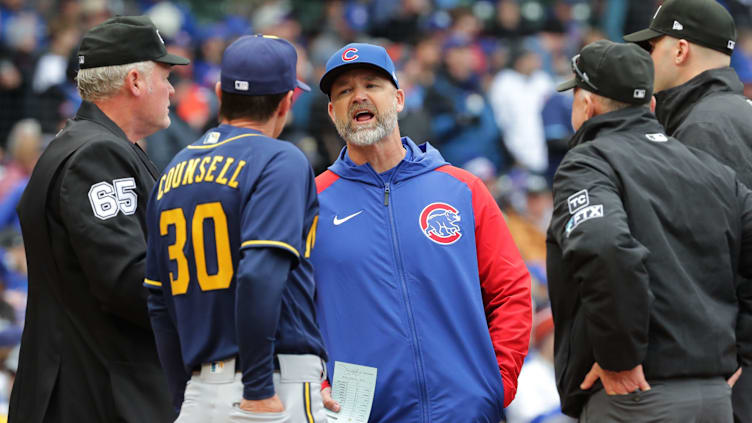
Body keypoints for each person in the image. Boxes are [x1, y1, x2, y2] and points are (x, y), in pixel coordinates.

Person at [313, 42, 533, 423]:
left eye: (371, 85)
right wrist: (317, 386)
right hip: (361, 415)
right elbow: (288, 313)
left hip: (464, 410)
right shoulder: (311, 202)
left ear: (398, 98)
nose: (358, 96)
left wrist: (496, 383)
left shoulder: (463, 189)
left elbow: (511, 290)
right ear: (333, 112)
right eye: (344, 91)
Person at [547, 39, 752, 422]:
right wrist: (744, 351)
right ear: (652, 105)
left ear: (585, 104)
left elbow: (605, 246)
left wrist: (618, 357)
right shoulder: (705, 166)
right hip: (714, 397)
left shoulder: (589, 162)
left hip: (635, 395)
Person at [9, 15, 189, 423]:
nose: (172, 89)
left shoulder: (87, 143)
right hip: (97, 396)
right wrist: (210, 296)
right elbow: (129, 282)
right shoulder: (97, 155)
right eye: (165, 75)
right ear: (136, 82)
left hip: (83, 389)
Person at [144, 34, 329, 422]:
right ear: (287, 102)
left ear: (219, 93)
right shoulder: (281, 160)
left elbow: (159, 304)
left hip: (200, 389)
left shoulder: (172, 170)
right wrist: (259, 389)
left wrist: (184, 398)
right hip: (269, 381)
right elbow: (260, 274)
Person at [624, 3, 752, 418]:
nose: (647, 57)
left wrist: (739, 354)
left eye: (653, 45)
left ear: (680, 50)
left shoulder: (705, 127)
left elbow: (717, 256)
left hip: (733, 369)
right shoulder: (730, 113)